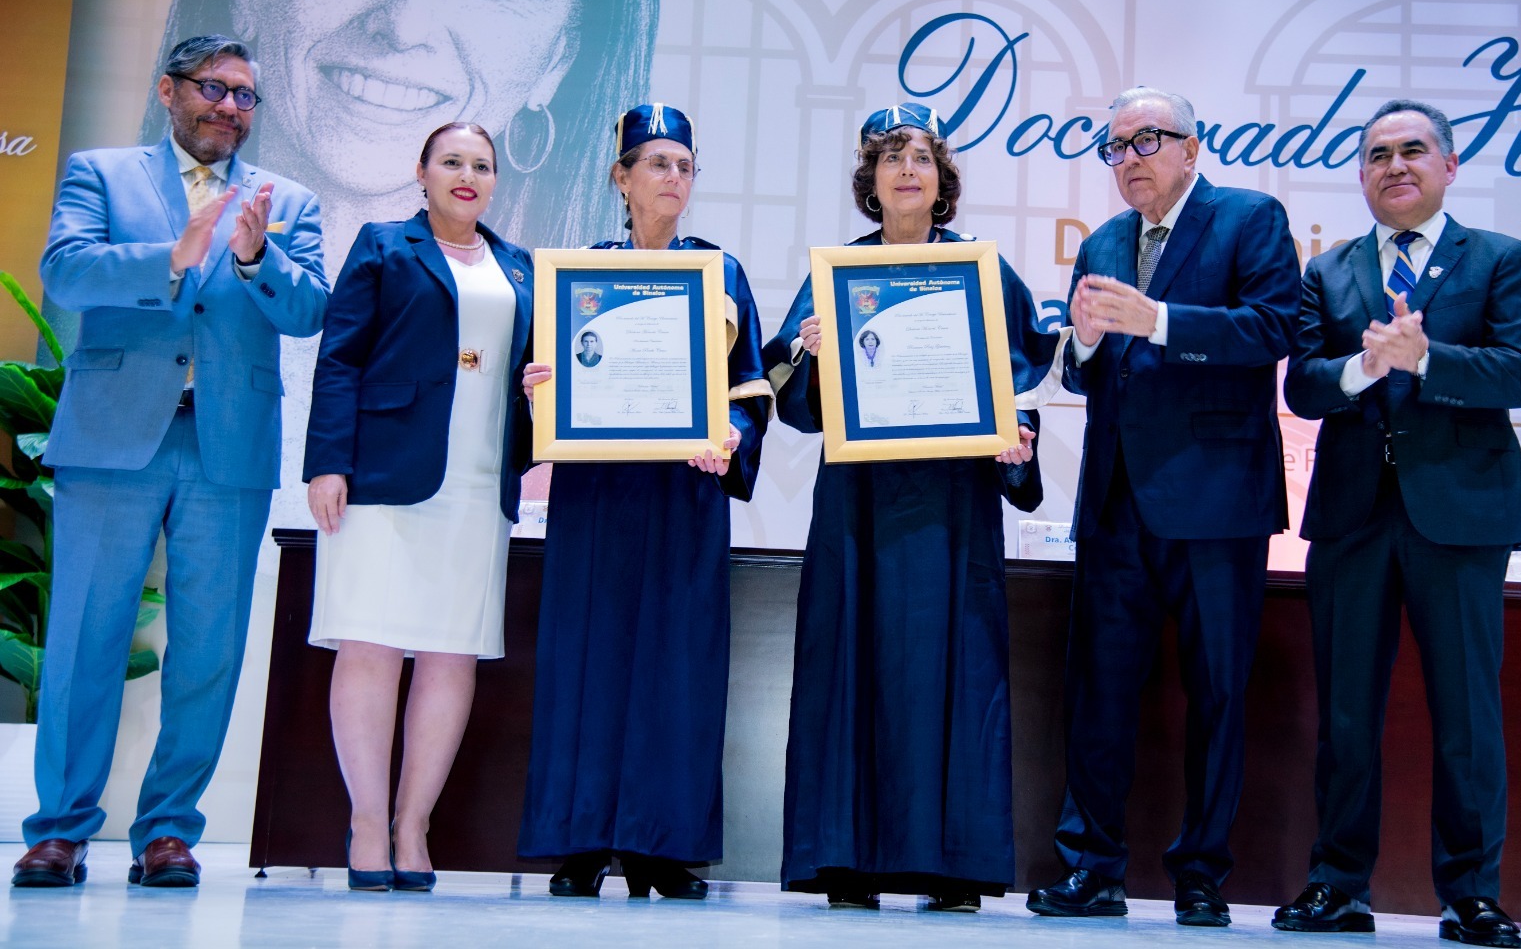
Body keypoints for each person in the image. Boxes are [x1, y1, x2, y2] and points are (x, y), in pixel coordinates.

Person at [142, 0, 657, 528]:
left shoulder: (531, 276)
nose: (404, 23)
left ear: (558, 59)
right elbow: (336, 357)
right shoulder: (330, 247)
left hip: (470, 502)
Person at [13, 35, 328, 890]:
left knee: (208, 649)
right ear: (168, 90)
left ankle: (168, 832)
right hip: (113, 440)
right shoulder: (102, 174)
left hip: (227, 446)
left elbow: (310, 311)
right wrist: (171, 258)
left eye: (244, 95)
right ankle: (60, 831)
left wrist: (257, 259)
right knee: (84, 638)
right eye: (213, 88)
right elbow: (66, 273)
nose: (230, 107)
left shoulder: (288, 200)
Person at [764, 102, 1063, 913]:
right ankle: (847, 859)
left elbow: (1020, 380)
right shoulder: (837, 275)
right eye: (890, 157)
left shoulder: (980, 271)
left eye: (921, 157)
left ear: (942, 180)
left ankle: (953, 865)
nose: (906, 170)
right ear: (870, 180)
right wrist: (809, 352)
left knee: (955, 669)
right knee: (853, 663)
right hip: (858, 504)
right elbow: (790, 396)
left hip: (951, 504)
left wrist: (1017, 435)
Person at [1027, 86, 1300, 927]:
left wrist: (1161, 320)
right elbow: (1085, 373)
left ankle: (1202, 875)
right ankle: (1091, 867)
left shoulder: (1249, 218)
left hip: (1217, 501)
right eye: (1116, 147)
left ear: (1191, 147)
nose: (1130, 158)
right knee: (1099, 691)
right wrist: (1082, 343)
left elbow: (1273, 329)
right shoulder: (1104, 240)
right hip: (1115, 501)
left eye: (1148, 139)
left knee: (1219, 693)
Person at [1273, 100, 1521, 949]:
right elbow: (1302, 387)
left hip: (1461, 514)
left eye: (1413, 150)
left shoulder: (1498, 258)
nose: (1395, 165)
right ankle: (1337, 884)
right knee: (1347, 713)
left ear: (1449, 166)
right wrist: (1362, 366)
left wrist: (1426, 358)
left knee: (1467, 715)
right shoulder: (1329, 270)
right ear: (1361, 175)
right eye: (1378, 154)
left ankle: (1471, 896)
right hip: (1353, 516)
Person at [517, 104, 772, 900]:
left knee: (677, 665)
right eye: (657, 163)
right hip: (596, 495)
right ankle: (581, 842)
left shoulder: (720, 274)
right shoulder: (578, 275)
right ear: (620, 178)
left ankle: (663, 849)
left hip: (683, 495)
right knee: (585, 661)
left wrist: (729, 434)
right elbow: (545, 379)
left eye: (685, 166)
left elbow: (750, 389)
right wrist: (537, 389)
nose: (673, 177)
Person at [302, 123, 533, 892]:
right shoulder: (382, 245)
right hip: (382, 477)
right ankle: (368, 823)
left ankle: (413, 825)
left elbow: (533, 372)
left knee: (451, 653)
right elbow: (340, 358)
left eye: (482, 165)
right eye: (452, 161)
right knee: (370, 647)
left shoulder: (521, 267)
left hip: (479, 484)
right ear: (422, 172)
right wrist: (328, 463)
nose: (468, 175)